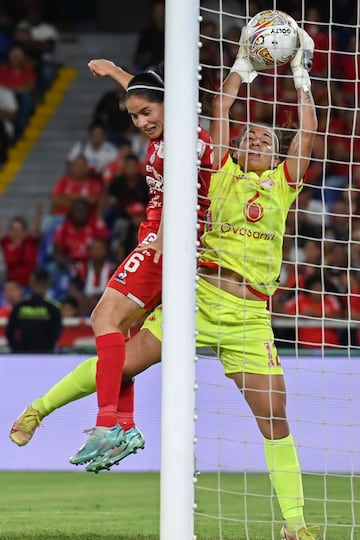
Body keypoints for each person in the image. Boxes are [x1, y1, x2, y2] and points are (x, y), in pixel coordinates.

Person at [9, 26, 319, 540]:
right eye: (250, 136)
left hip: (249, 318)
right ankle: (39, 408)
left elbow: (308, 136)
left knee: (275, 419)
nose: (258, 138)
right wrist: (242, 68)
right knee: (121, 360)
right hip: (198, 298)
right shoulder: (217, 171)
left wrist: (301, 75)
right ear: (234, 149)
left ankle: (295, 525)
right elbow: (212, 112)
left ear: (278, 152)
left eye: (267, 137)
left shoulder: (284, 184)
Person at [67, 59, 213, 464]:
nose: (141, 122)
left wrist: (161, 241)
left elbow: (179, 195)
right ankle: (124, 427)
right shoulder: (176, 125)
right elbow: (147, 90)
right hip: (173, 243)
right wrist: (115, 71)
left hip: (166, 244)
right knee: (122, 343)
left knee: (104, 320)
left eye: (146, 113)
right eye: (134, 116)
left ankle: (107, 424)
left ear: (170, 105)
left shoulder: (181, 141)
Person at [5, 268, 62, 353]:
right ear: (48, 284)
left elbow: (10, 332)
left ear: (31, 283)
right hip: (44, 354)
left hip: (27, 353)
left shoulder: (20, 306)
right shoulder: (54, 307)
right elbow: (56, 333)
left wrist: (17, 349)